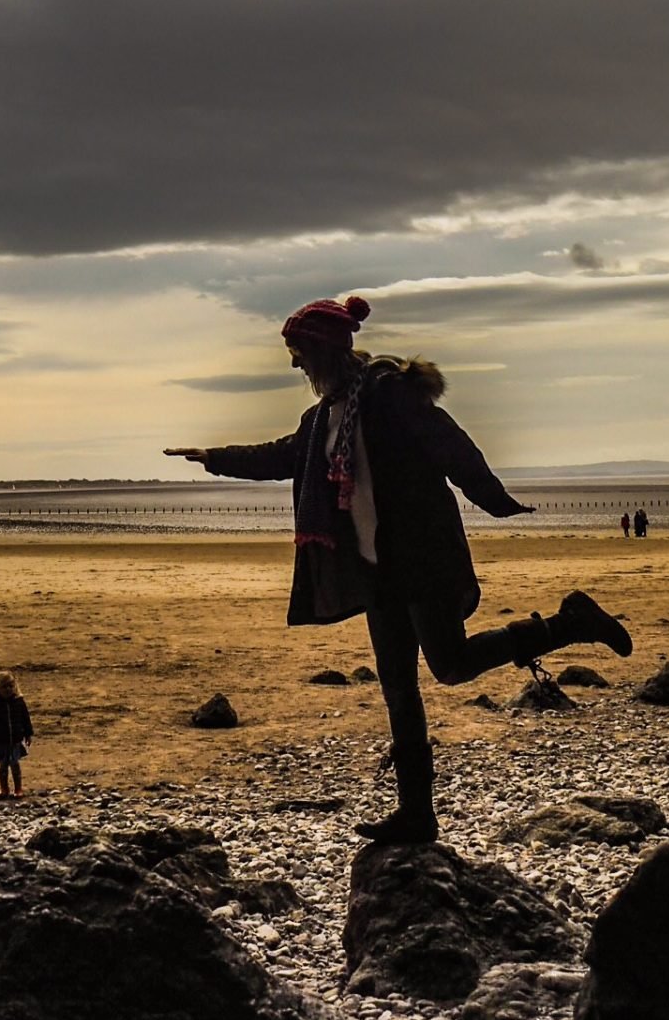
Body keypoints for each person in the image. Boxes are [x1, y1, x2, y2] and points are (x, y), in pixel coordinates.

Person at [165, 294, 634, 845]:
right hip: (375, 570)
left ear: (324, 349)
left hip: (422, 558)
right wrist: (215, 457)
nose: (294, 364)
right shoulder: (322, 420)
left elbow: (451, 445)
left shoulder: (389, 394)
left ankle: (569, 624)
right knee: (398, 689)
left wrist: (493, 499)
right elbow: (282, 455)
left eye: (298, 352)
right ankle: (417, 815)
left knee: (451, 665)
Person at [0, 670, 34, 800]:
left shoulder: (19, 702)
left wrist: (28, 734)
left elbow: (25, 719)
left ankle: (18, 788)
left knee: (15, 764)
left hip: (15, 740)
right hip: (0, 741)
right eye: (4, 687)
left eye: (11, 686)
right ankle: (4, 788)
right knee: (2, 766)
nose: (8, 689)